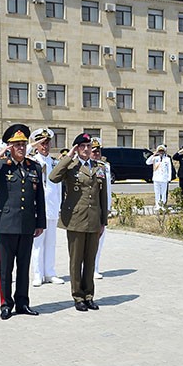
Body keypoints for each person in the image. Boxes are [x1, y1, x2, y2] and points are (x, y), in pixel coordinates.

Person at [0, 123, 46, 320]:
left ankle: (23, 303)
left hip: (27, 225)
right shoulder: (1, 166)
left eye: (23, 144)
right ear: (9, 146)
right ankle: (6, 304)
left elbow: (39, 197)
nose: (21, 148)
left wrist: (40, 223)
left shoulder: (33, 167)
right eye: (17, 145)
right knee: (6, 268)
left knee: (23, 267)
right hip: (6, 225)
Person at [49, 133, 109, 312]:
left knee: (90, 260)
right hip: (75, 219)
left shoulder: (99, 167)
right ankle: (78, 296)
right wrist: (69, 156)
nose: (86, 149)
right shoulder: (71, 165)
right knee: (76, 261)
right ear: (76, 148)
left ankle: (89, 295)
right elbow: (53, 177)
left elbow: (103, 196)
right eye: (82, 146)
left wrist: (103, 221)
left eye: (88, 146)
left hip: (93, 219)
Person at [28, 128, 64, 286]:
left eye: (47, 143)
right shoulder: (31, 161)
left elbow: (58, 187)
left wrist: (59, 206)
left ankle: (50, 272)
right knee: (38, 244)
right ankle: (38, 274)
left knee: (51, 243)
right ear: (36, 145)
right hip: (37, 210)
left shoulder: (54, 162)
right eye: (42, 143)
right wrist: (31, 145)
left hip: (52, 208)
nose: (45, 146)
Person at [92, 139, 110, 279]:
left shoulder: (105, 167)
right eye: (94, 151)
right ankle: (86, 268)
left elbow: (107, 189)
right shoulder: (86, 167)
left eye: (98, 151)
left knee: (100, 240)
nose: (96, 154)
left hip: (103, 208)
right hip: (91, 208)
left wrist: (108, 207)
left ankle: (95, 267)